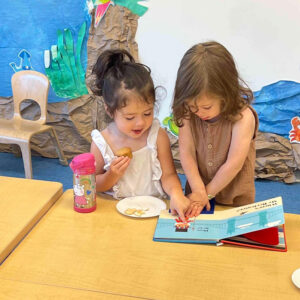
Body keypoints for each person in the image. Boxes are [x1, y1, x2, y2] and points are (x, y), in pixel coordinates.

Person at [90, 49, 190, 220]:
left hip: (153, 210)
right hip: (113, 212)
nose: (140, 123)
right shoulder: (102, 142)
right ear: (109, 110)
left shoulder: (157, 136)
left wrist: (176, 194)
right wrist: (111, 175)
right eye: (130, 117)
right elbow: (92, 184)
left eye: (147, 113)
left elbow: (169, 175)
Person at [172, 41, 258, 217]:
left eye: (207, 107)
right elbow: (186, 152)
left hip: (235, 198)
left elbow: (234, 164)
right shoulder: (188, 112)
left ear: (226, 94)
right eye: (193, 106)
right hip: (197, 194)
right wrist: (198, 190)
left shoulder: (243, 118)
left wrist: (207, 194)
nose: (199, 113)